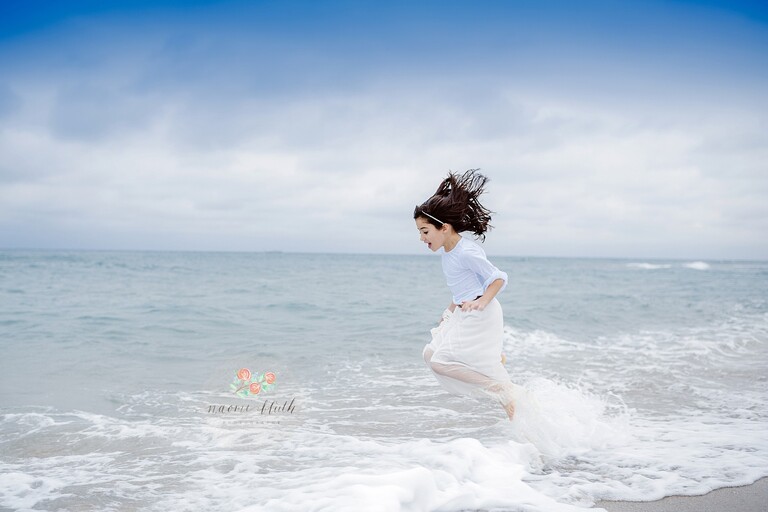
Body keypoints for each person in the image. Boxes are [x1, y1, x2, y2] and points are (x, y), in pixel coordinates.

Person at [414, 169, 516, 420]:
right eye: (419, 232)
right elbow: (463, 287)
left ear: (444, 228)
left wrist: (482, 301)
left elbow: (498, 278)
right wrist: (449, 311)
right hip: (463, 310)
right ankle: (498, 375)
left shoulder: (467, 252)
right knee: (429, 355)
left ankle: (501, 388)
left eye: (425, 231)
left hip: (480, 313)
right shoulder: (448, 253)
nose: (421, 238)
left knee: (441, 363)